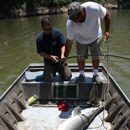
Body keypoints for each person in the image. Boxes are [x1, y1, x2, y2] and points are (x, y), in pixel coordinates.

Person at [65, 2, 110, 84]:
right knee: (80, 57)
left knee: (95, 56)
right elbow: (69, 42)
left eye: (75, 19)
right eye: (72, 19)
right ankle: (81, 75)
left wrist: (107, 30)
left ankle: (95, 75)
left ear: (81, 13)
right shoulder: (70, 23)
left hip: (96, 36)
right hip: (81, 39)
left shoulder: (93, 8)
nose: (74, 21)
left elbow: (107, 14)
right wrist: (65, 56)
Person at [36, 17, 72, 82]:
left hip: (61, 60)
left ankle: (60, 70)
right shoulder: (39, 38)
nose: (49, 31)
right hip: (48, 62)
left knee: (68, 77)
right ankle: (48, 71)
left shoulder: (58, 33)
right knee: (48, 79)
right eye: (46, 29)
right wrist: (50, 57)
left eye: (50, 28)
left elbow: (63, 45)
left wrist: (62, 55)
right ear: (42, 27)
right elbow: (40, 53)